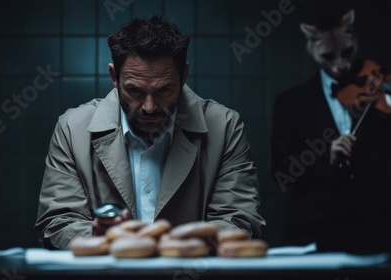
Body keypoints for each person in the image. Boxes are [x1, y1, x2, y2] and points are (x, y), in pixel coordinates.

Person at [34, 15, 265, 250]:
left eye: (164, 89)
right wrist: (95, 239)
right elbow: (57, 222)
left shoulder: (225, 126)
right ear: (115, 77)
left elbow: (240, 220)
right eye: (134, 90)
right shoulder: (73, 128)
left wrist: (167, 246)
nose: (149, 106)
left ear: (183, 76)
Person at [271, 8, 391, 252]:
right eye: (329, 56)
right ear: (312, 48)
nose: (340, 64)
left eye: (347, 52)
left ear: (354, 38)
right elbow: (281, 172)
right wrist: (327, 157)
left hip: (379, 230)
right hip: (315, 229)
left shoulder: (378, 86)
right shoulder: (290, 102)